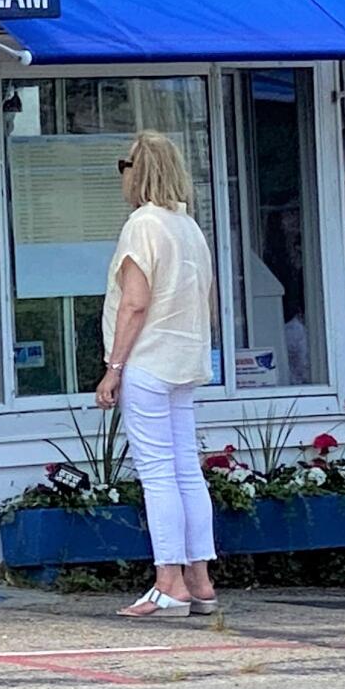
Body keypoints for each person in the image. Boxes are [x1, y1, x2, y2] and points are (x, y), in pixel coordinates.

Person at [96, 129, 220, 619]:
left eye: (124, 166)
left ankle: (168, 583)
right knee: (186, 469)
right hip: (184, 361)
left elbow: (134, 302)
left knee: (156, 472)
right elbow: (208, 301)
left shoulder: (142, 225)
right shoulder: (189, 228)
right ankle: (200, 580)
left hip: (147, 361)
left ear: (137, 172)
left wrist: (113, 369)